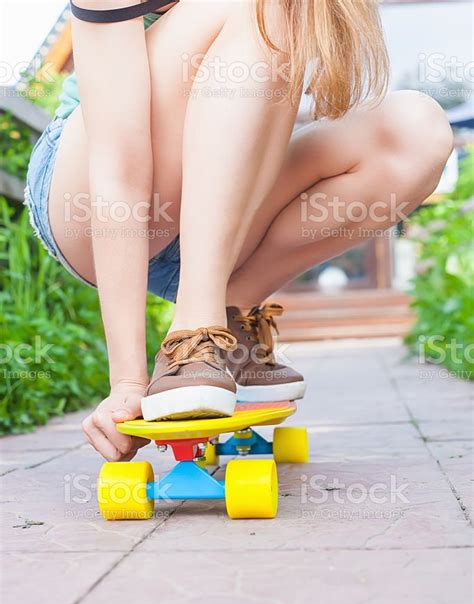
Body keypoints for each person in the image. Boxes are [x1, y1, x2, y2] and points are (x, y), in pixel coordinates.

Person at [25, 0, 453, 462]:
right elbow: (119, 169)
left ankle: (225, 315)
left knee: (415, 132)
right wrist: (127, 382)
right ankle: (192, 337)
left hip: (220, 215)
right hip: (91, 209)